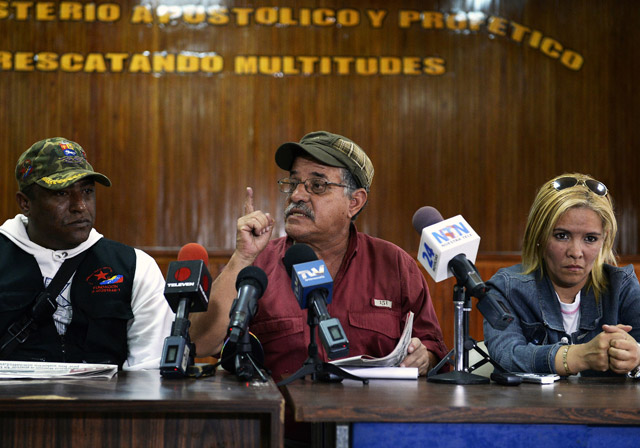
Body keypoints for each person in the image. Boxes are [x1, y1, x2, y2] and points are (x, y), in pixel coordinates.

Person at [190, 131, 448, 381]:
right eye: (293, 183)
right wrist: (242, 257)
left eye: (317, 185)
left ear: (354, 202)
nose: (296, 195)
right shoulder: (257, 265)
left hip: (368, 420)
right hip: (282, 421)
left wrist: (425, 357)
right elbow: (200, 343)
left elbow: (434, 348)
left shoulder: (394, 265)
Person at [0, 137, 173, 370]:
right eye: (61, 193)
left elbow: (149, 370)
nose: (80, 206)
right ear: (25, 203)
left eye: (87, 191)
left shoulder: (135, 267)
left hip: (106, 405)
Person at [483, 173, 640, 377]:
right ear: (539, 234)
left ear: (605, 239)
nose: (576, 252)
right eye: (562, 236)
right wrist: (579, 356)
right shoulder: (506, 287)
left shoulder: (621, 285)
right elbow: (505, 356)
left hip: (608, 410)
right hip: (529, 408)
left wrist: (636, 357)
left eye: (590, 238)